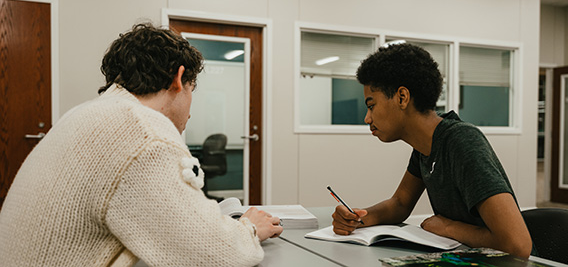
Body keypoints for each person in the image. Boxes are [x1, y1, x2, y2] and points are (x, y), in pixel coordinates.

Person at [0, 23, 283, 266]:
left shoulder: (89, 114)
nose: (191, 108)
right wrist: (249, 228)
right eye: (192, 89)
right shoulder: (142, 133)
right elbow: (213, 255)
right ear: (178, 78)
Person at [331, 43, 532, 258]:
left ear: (402, 97)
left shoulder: (461, 141)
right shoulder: (424, 147)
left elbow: (517, 246)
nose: (367, 118)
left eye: (371, 105)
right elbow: (400, 204)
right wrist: (359, 217)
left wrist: (448, 228)